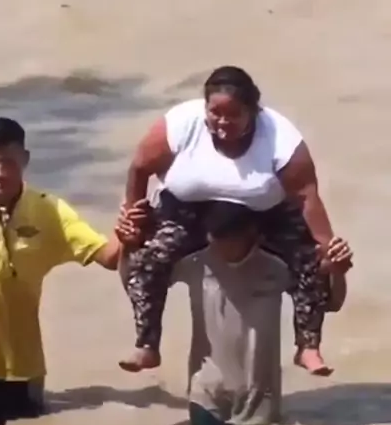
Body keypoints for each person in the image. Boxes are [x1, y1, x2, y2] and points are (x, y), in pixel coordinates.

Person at [117, 65, 351, 377]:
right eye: (215, 113)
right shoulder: (180, 124)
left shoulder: (281, 139)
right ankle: (147, 344)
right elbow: (139, 168)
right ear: (205, 107)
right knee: (148, 258)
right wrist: (133, 214)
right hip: (188, 211)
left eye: (234, 115)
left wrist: (328, 248)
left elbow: (307, 197)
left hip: (264, 213)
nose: (223, 122)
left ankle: (308, 346)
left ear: (253, 111)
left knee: (310, 259)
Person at [0, 117, 121, 425]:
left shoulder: (50, 212)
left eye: (9, 162)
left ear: (25, 159)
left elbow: (109, 257)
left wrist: (130, 227)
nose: (0, 172)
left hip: (24, 368)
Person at [164, 202, 350, 425]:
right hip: (207, 391)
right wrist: (127, 245)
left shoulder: (277, 268)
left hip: (260, 399)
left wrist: (337, 272)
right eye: (217, 240)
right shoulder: (195, 264)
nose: (223, 249)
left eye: (232, 242)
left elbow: (330, 303)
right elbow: (137, 281)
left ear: (253, 235)